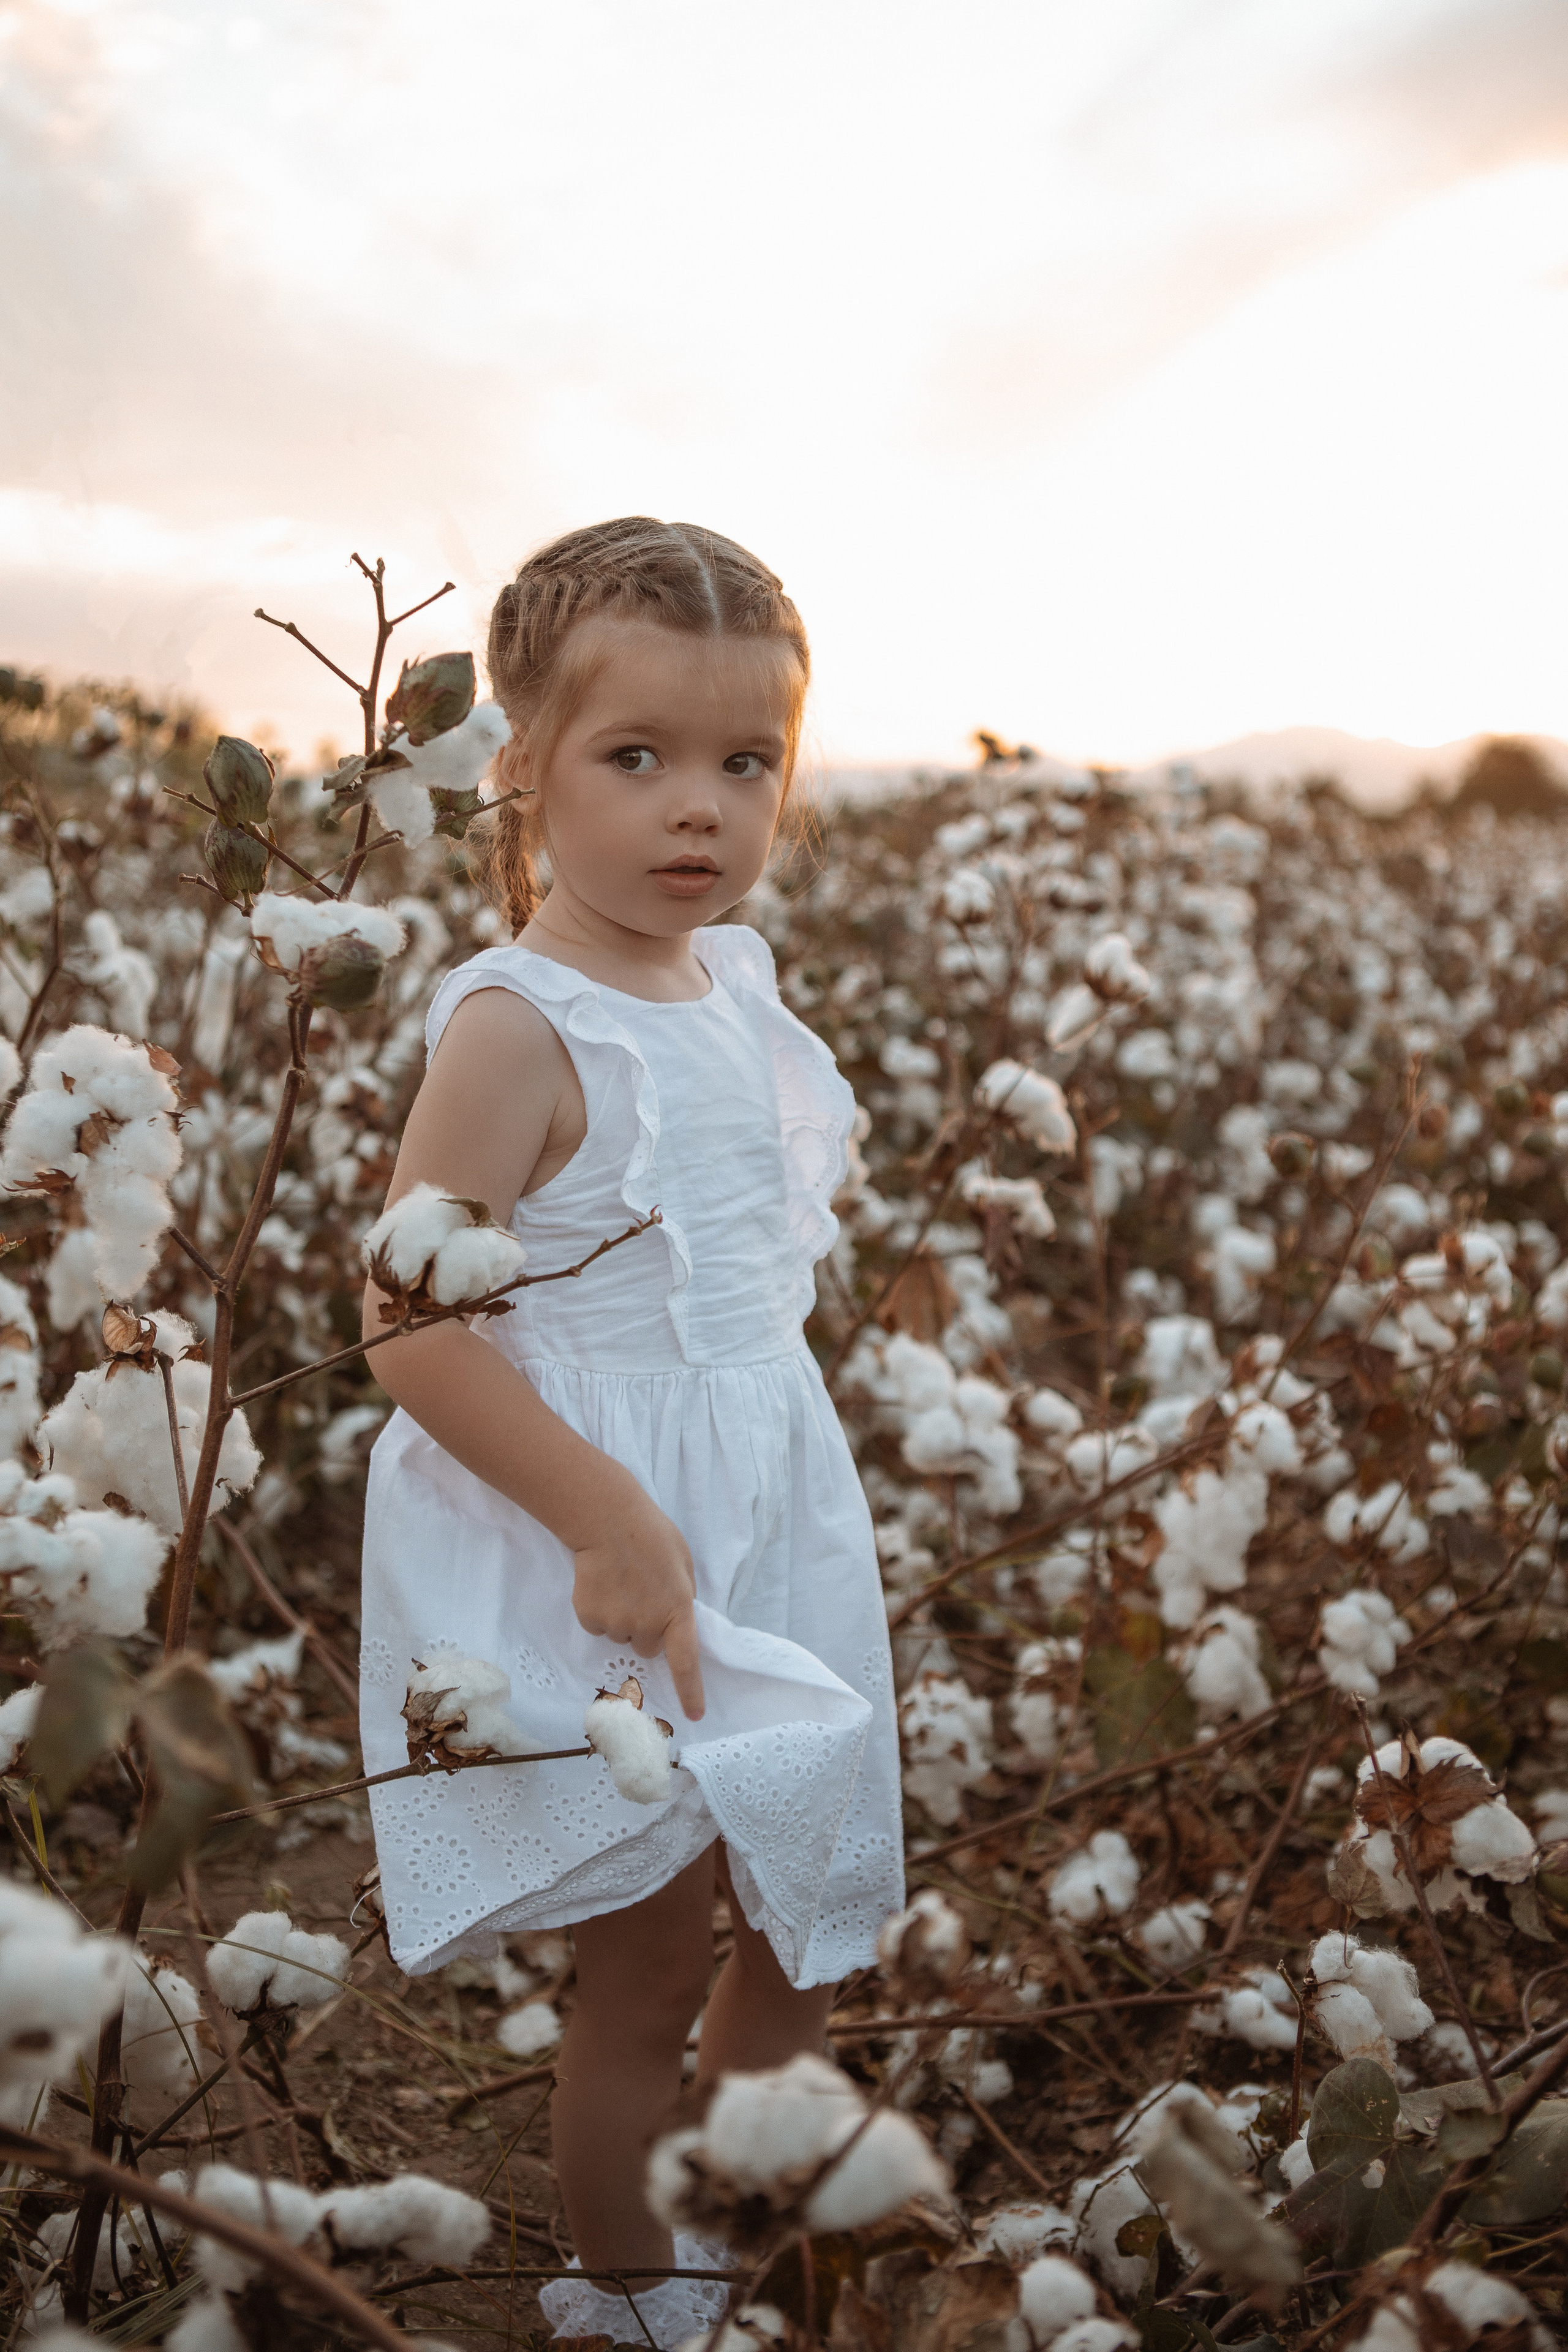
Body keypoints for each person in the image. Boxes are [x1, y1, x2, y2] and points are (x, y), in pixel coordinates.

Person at [358, 518, 903, 2346]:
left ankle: (735, 2230)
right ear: (523, 769)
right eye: (639, 757)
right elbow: (406, 1325)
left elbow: (747, 1294)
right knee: (653, 1958)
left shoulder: (729, 985)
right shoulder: (520, 1029)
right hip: (610, 1533)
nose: (703, 811)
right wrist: (603, 1512)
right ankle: (630, 2300)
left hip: (769, 1499)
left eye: (747, 764)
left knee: (808, 1911)